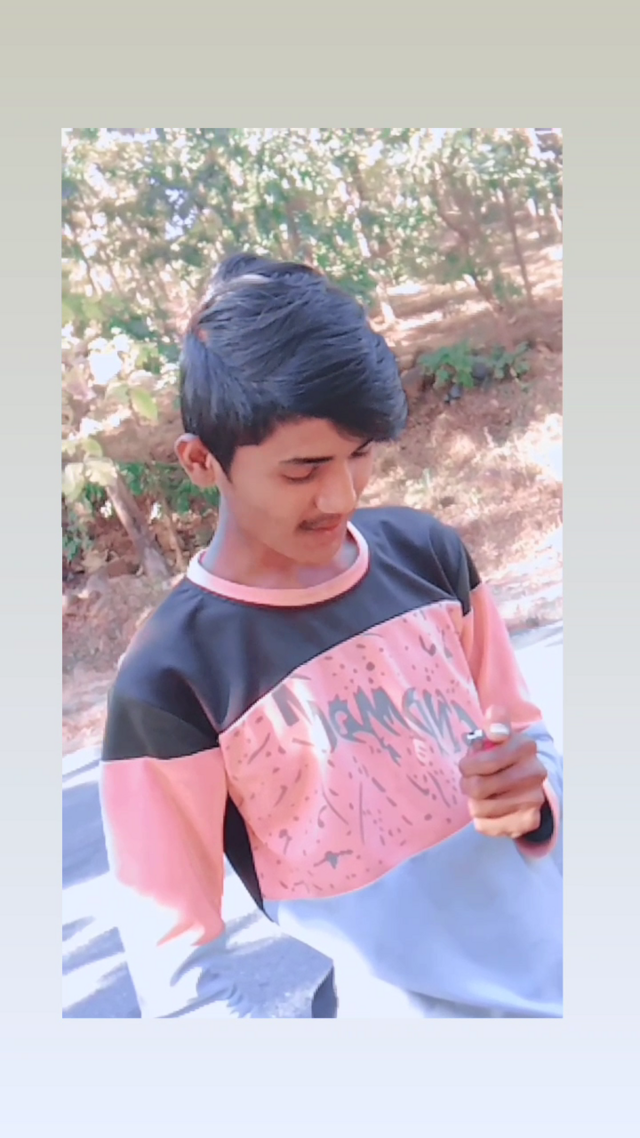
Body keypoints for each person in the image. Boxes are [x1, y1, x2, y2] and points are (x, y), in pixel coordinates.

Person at [100, 253, 563, 1019]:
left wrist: (528, 799)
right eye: (303, 469)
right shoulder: (171, 679)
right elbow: (177, 969)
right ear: (201, 461)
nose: (341, 495)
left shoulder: (427, 557)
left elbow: (531, 752)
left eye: (360, 455)